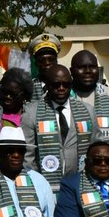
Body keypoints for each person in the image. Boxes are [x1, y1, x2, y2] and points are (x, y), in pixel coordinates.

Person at [22, 64, 99, 196]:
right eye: (56, 85)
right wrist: (38, 185)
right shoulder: (31, 112)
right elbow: (28, 157)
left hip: (81, 187)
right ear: (47, 86)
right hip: (46, 189)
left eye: (66, 84)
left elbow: (96, 146)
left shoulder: (87, 111)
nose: (61, 88)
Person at [69, 50, 109, 143]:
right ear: (71, 71)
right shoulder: (62, 98)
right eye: (81, 67)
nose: (88, 71)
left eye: (92, 67)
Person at [27, 32, 62, 100]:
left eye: (51, 59)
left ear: (56, 61)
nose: (47, 63)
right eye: (41, 60)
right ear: (36, 63)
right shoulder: (28, 88)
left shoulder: (66, 86)